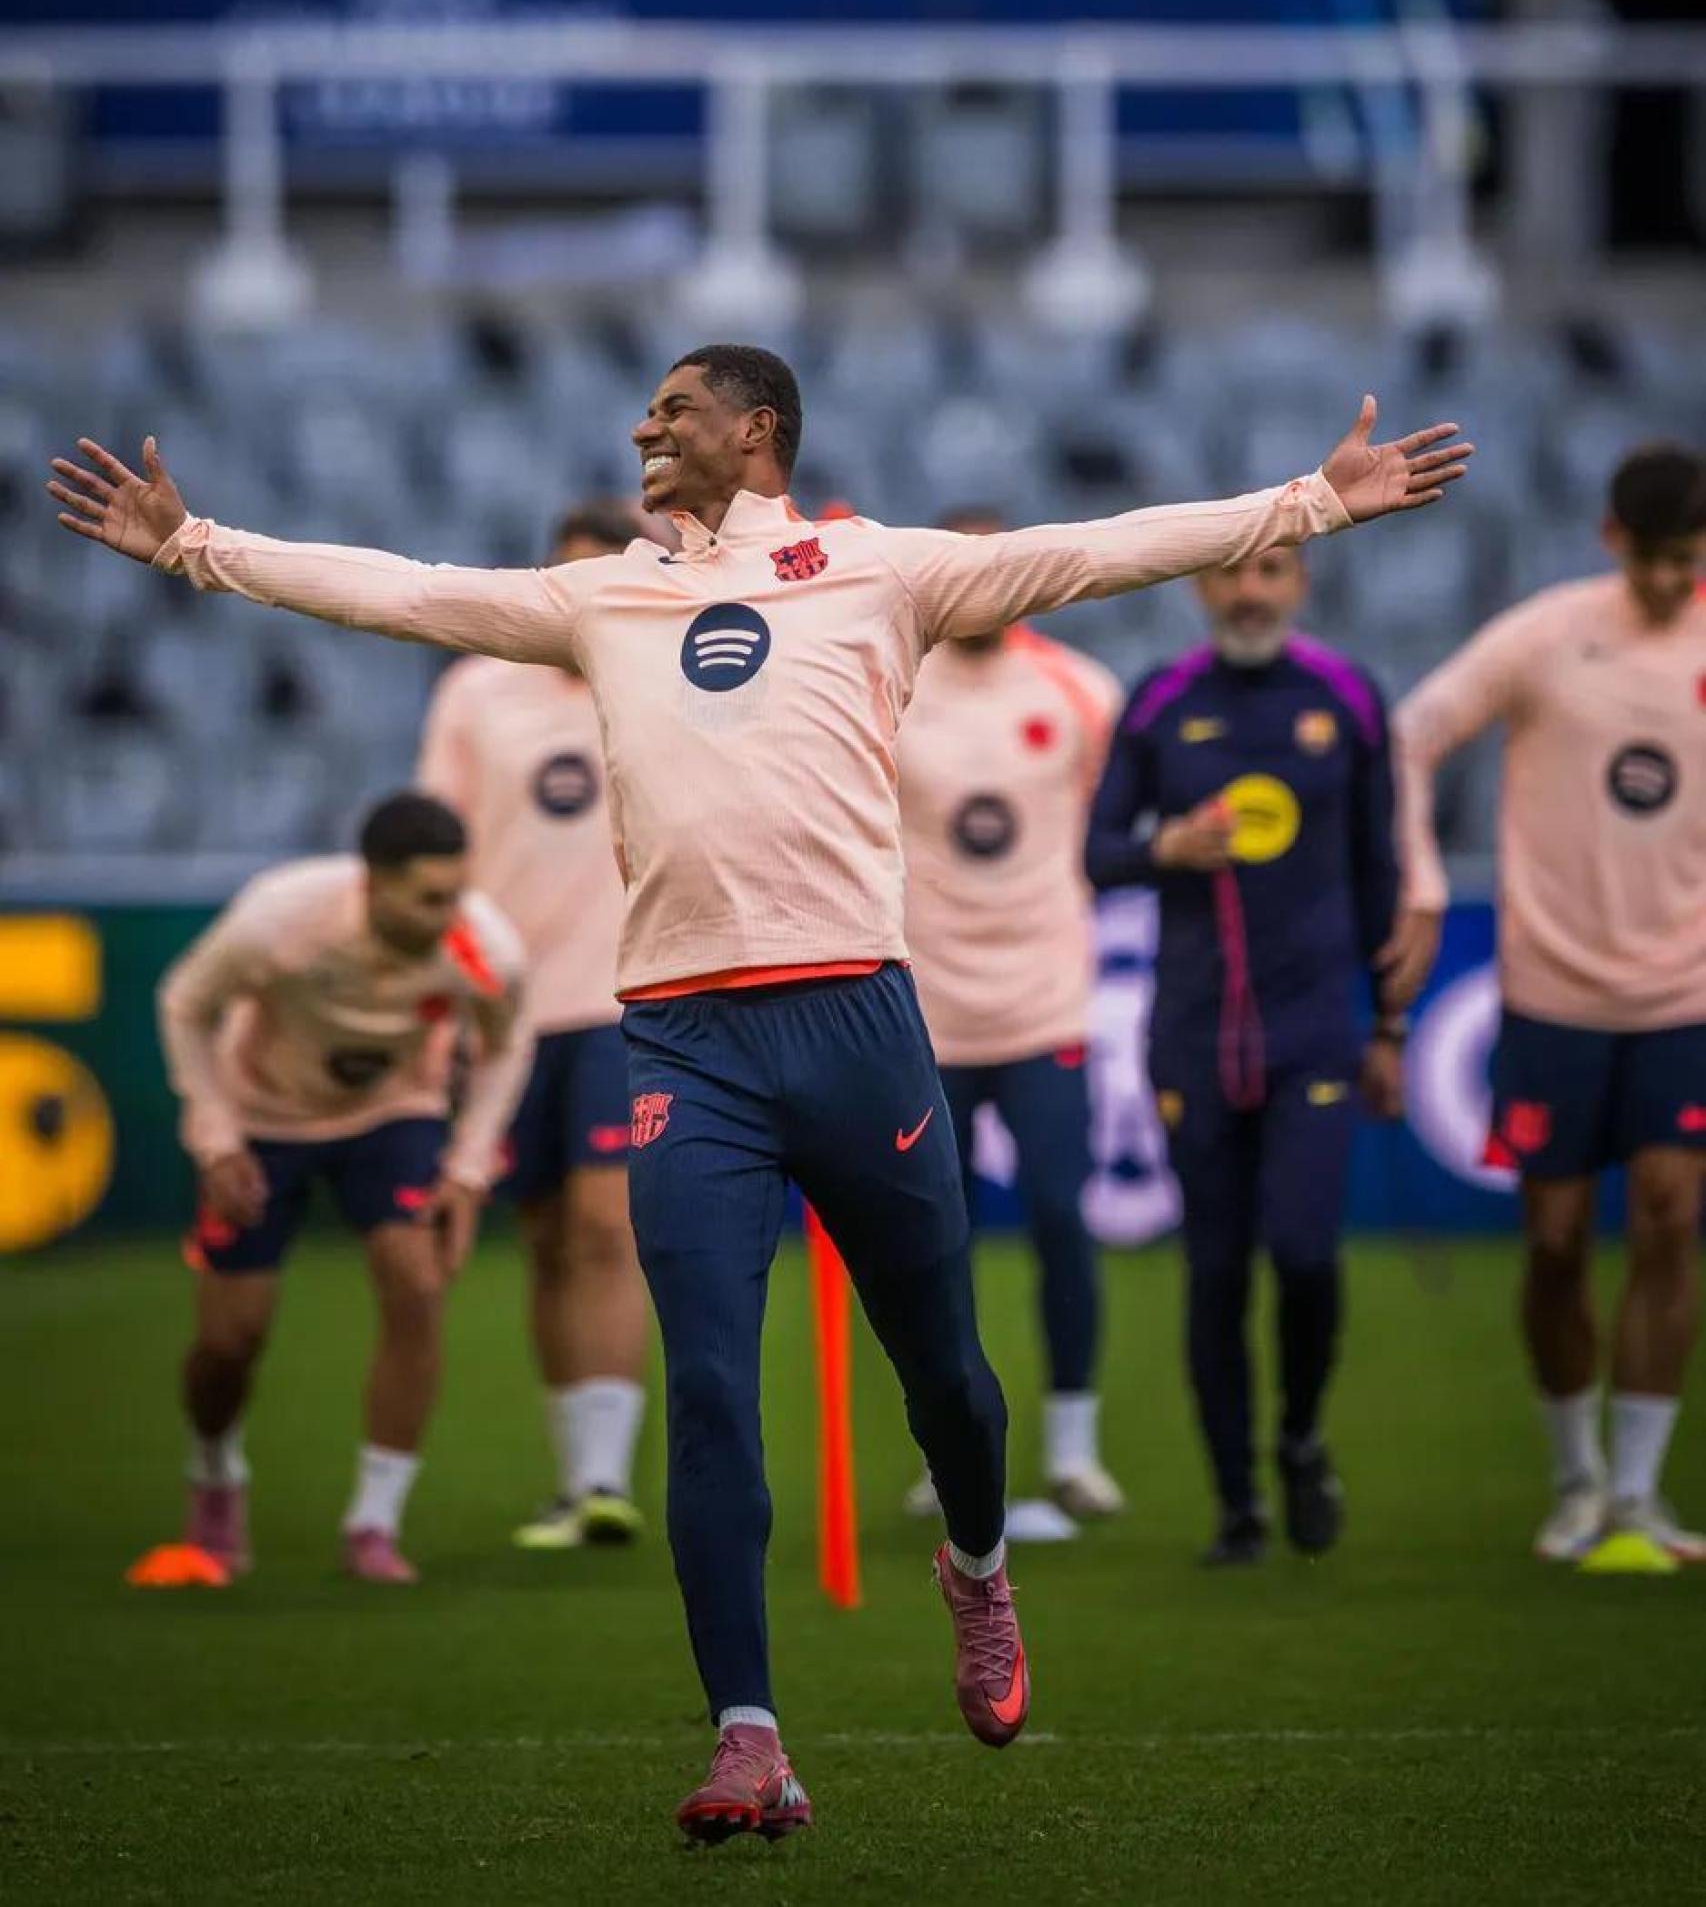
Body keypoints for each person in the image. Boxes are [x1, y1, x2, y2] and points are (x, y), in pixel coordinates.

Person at [50, 356, 1471, 1841]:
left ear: (756, 430)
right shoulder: (602, 598)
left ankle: (978, 1567)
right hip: (683, 1045)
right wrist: (195, 544)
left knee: (946, 1375)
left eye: (673, 408)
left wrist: (1310, 502)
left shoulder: (877, 571)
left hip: (858, 1024)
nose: (644, 426)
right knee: (713, 1389)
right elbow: (405, 591)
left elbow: (1100, 548)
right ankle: (749, 1736)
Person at [1389, 442, 1706, 1572]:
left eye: (1687, 560)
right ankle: (1574, 1484)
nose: (1667, 580)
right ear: (1612, 539)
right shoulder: (1546, 636)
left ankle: (1637, 1494)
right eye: (1652, 557)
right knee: (1557, 1238)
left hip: (1683, 994)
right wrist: (1423, 883)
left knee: (1668, 1218)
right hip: (1551, 991)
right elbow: (1411, 733)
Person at [1085, 545, 1403, 1565]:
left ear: (1300, 582)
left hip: (1313, 1031)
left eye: (1270, 571)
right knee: (1214, 1270)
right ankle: (1237, 1505)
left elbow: (1380, 870)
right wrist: (1164, 849)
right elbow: (1096, 854)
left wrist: (1389, 1026)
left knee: (1304, 1253)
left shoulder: (1348, 697)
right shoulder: (1159, 700)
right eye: (1230, 575)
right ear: (1199, 587)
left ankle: (1299, 1436)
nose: (1249, 592)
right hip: (1192, 1034)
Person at [154, 791, 530, 1584]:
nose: (450, 913)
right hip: (263, 1118)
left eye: (458, 892)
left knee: (417, 1286)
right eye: (429, 897)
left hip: (394, 1112)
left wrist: (468, 1169)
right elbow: (185, 1004)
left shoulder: (485, 947)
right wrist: (215, 1138)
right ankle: (215, 1472)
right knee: (229, 1342)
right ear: (373, 882)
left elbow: (506, 1045)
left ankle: (374, 1523)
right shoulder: (277, 921)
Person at [417, 500, 648, 1552]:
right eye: (563, 579)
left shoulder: (656, 681)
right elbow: (440, 853)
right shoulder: (476, 690)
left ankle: (606, 1478)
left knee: (606, 1227)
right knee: (548, 1237)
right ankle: (573, 1476)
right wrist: (444, 1007)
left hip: (622, 998)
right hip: (506, 1010)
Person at [896, 506, 1126, 1529]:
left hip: (1044, 1007)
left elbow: (1113, 833)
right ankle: (946, 1445)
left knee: (1061, 1219)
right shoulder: (889, 683)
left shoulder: (1082, 691)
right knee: (930, 1240)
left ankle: (1073, 1449)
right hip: (923, 1014)